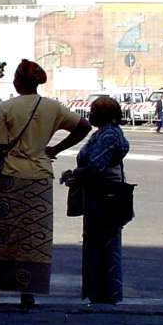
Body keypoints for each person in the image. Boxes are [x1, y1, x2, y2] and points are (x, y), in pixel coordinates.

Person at [0, 59, 91, 308]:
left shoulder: (8, 108)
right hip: (40, 179)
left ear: (18, 80)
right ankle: (27, 294)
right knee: (33, 238)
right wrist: (55, 148)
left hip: (12, 176)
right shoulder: (53, 107)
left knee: (3, 236)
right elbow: (84, 126)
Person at [60, 97, 130, 305]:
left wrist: (75, 175)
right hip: (101, 194)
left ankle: (104, 293)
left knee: (103, 245)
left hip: (103, 196)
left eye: (93, 110)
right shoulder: (104, 133)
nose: (89, 113)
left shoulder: (108, 135)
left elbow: (96, 166)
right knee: (100, 244)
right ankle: (101, 291)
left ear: (103, 114)